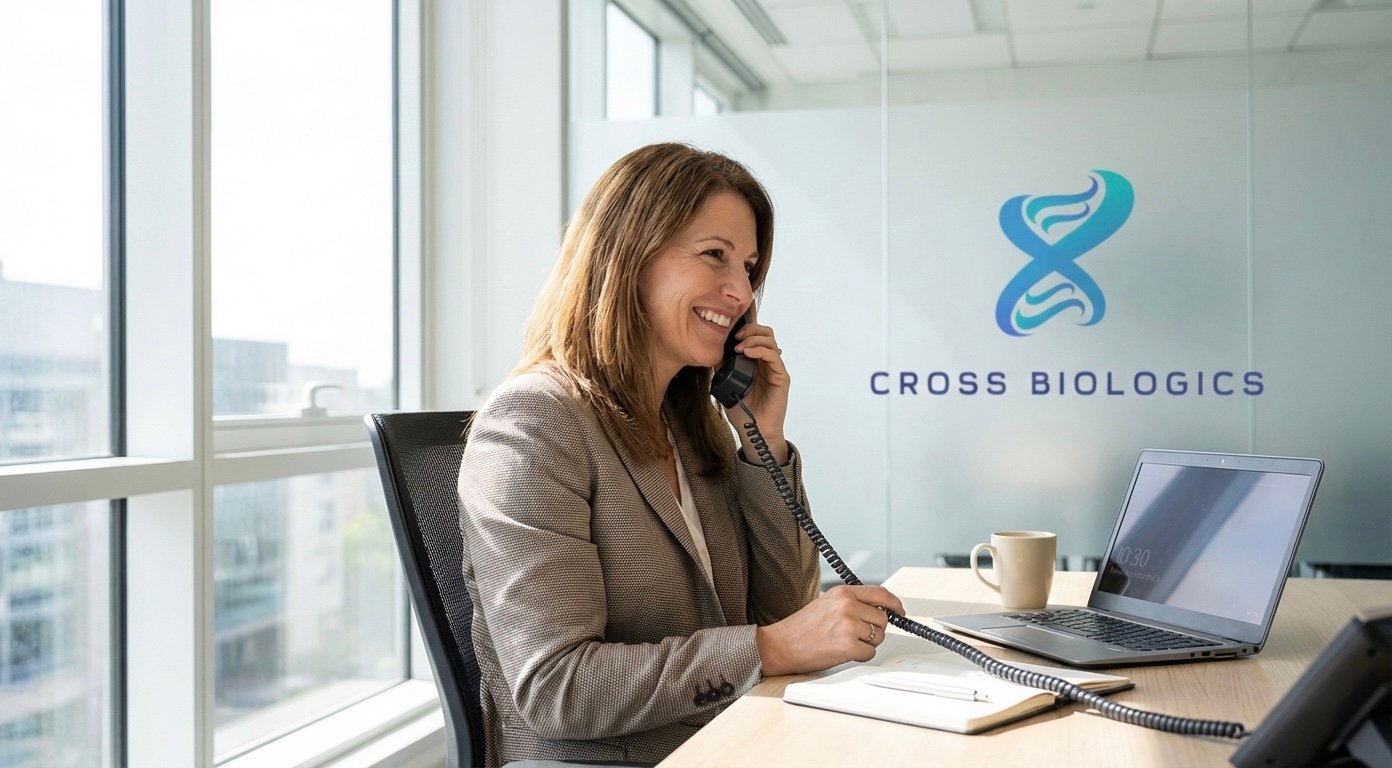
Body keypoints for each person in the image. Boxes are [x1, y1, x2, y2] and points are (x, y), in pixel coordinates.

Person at [457, 142, 904, 767]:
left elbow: (784, 611)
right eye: (714, 255)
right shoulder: (534, 423)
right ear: (627, 256)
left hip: (736, 740)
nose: (740, 291)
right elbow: (557, 688)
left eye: (748, 267)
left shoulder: (689, 425)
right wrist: (768, 650)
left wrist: (762, 443)